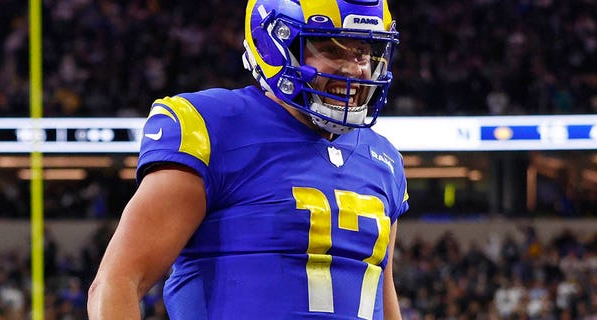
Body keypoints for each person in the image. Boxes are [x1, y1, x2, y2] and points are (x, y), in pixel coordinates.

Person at [87, 0, 408, 319]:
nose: (355, 69)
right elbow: (117, 282)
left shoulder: (383, 159)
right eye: (333, 50)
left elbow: (383, 292)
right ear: (276, 44)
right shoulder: (214, 128)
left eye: (363, 52)